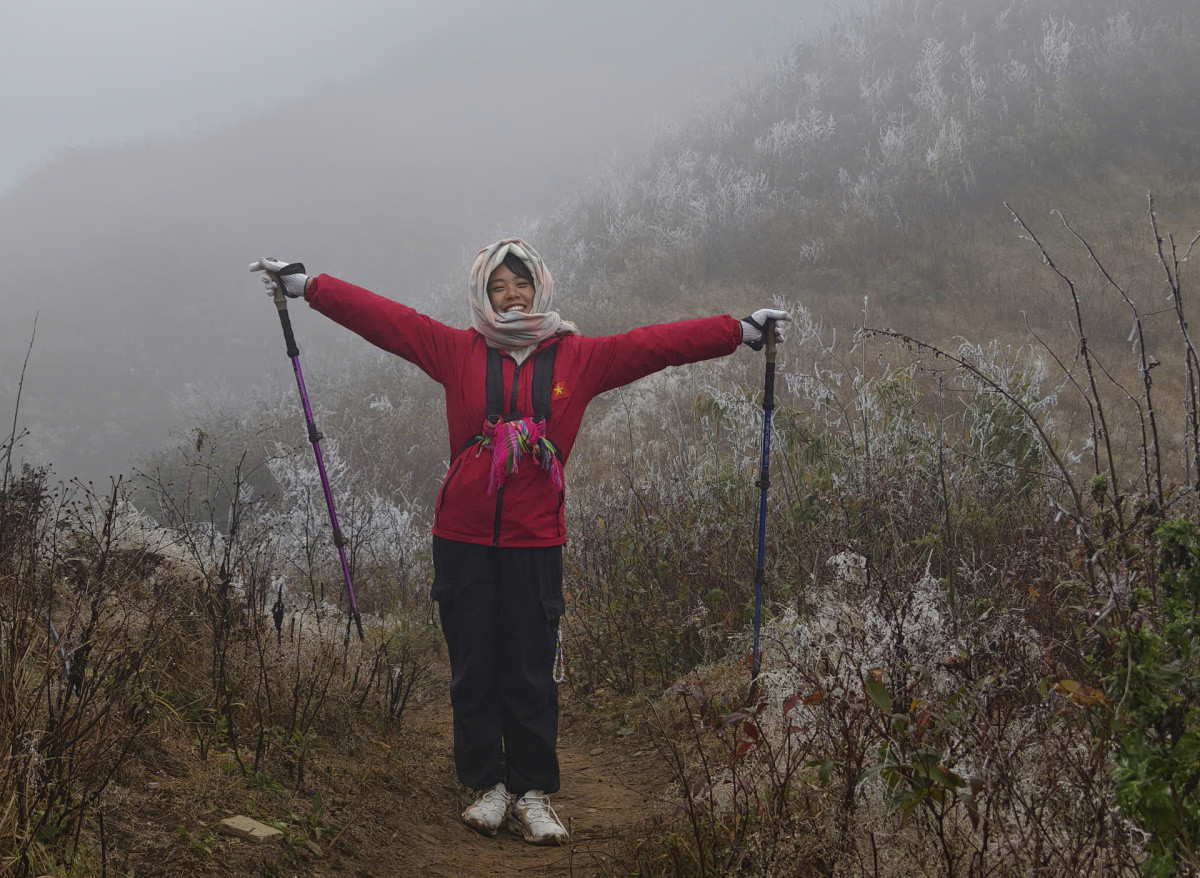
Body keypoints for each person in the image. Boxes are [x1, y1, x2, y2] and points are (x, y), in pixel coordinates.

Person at [251, 239, 788, 846]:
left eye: (521, 284)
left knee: (530, 669)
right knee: (473, 665)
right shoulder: (456, 351)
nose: (511, 297)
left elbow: (655, 345)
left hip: (536, 541)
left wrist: (738, 330)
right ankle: (488, 786)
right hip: (461, 537)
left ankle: (533, 792)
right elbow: (389, 321)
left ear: (540, 287)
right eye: (498, 287)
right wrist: (308, 287)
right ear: (484, 294)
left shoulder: (580, 358)